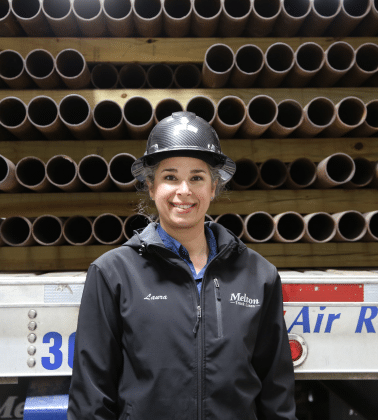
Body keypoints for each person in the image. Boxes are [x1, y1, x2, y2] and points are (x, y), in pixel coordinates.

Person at [67, 111, 297, 420]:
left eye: (197, 178)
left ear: (213, 188)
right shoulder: (114, 273)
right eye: (170, 177)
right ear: (151, 187)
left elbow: (276, 391)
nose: (184, 191)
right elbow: (91, 396)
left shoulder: (258, 275)